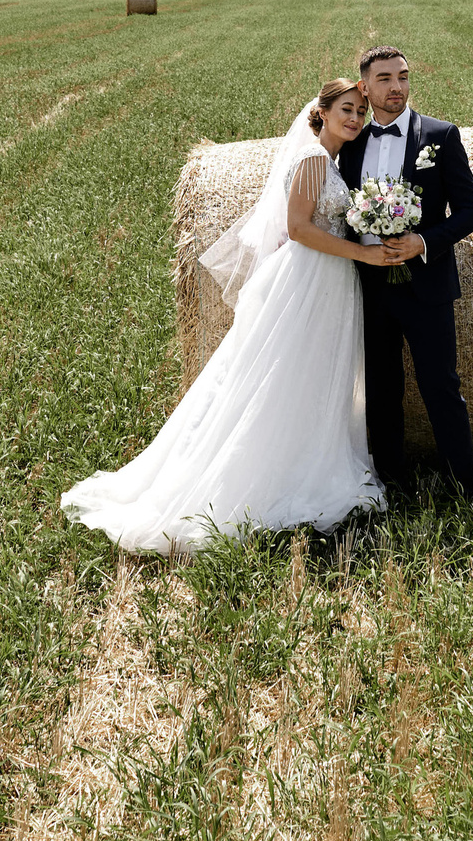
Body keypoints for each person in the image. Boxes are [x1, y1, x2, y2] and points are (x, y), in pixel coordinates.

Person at [61, 78, 390, 555]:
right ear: (322, 111)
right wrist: (363, 255)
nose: (356, 118)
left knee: (310, 375)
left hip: (329, 280)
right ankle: (266, 477)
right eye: (347, 108)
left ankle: (302, 457)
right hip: (309, 278)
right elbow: (299, 229)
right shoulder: (313, 159)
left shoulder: (330, 161)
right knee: (284, 375)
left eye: (361, 111)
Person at [337, 45, 473, 498]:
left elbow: (470, 211)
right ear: (365, 87)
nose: (396, 87)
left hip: (427, 285)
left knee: (441, 387)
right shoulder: (351, 143)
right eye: (384, 79)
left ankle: (465, 487)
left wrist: (422, 242)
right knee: (381, 391)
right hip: (370, 287)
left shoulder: (440, 136)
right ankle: (391, 485)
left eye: (402, 76)